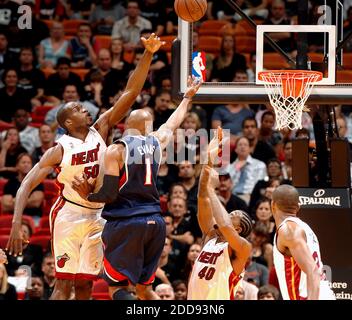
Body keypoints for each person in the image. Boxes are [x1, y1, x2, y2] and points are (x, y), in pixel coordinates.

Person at [6, 34, 165, 300]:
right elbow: (26, 185)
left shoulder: (101, 129)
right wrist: (15, 222)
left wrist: (147, 54)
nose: (85, 109)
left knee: (85, 286)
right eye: (78, 108)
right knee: (63, 285)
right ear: (68, 122)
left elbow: (131, 92)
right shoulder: (58, 150)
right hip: (69, 214)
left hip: (99, 214)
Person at [72, 76, 202, 300]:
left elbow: (109, 194)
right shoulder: (156, 141)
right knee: (144, 289)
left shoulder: (116, 150)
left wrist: (87, 194)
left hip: (127, 222)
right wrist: (187, 98)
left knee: (117, 289)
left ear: (126, 126)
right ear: (148, 127)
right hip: (156, 223)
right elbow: (172, 123)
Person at [187, 134, 253, 300]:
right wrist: (208, 162)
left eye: (233, 215)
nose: (228, 214)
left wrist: (211, 189)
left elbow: (224, 226)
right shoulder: (210, 236)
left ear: (237, 229)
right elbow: (202, 197)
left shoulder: (242, 248)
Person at [271, 184, 335, 300]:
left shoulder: (288, 230)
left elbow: (313, 270)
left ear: (273, 205)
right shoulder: (304, 227)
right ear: (298, 207)